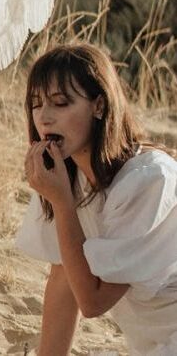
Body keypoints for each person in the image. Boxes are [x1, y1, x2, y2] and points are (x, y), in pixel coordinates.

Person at [15, 43, 177, 356]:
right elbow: (64, 277)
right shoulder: (64, 178)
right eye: (36, 104)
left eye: (60, 103)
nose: (44, 117)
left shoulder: (148, 181)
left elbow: (93, 300)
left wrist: (63, 204)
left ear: (99, 106)